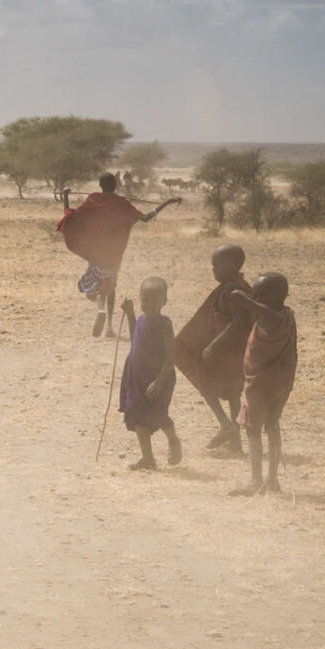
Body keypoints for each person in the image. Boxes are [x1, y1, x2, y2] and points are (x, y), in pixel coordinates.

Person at [206, 273, 297, 496]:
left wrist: (245, 300)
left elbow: (262, 311)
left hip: (261, 384)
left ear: (278, 297)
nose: (256, 297)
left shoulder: (273, 317)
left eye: (261, 294)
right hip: (280, 382)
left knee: (253, 429)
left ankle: (257, 480)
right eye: (255, 293)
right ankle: (272, 480)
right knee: (273, 426)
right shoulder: (287, 316)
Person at [58, 172, 172, 337]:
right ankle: (109, 326)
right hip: (114, 253)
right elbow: (146, 218)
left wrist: (66, 197)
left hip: (97, 252)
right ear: (116, 185)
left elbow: (70, 215)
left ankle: (100, 310)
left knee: (99, 283)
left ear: (100, 185)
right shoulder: (121, 203)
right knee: (111, 286)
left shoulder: (93, 199)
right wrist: (166, 203)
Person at [171, 244, 254, 453]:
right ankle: (235, 443)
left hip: (224, 350)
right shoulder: (240, 285)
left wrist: (212, 346)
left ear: (231, 267)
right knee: (233, 394)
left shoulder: (231, 290)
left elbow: (236, 323)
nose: (213, 270)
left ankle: (225, 424)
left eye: (217, 266)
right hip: (234, 351)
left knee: (206, 384)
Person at [117, 278, 182, 470]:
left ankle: (173, 441)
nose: (149, 305)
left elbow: (171, 357)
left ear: (164, 302)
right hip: (137, 377)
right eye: (145, 300)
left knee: (158, 415)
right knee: (137, 416)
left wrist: (159, 381)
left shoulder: (164, 325)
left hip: (159, 377)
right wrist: (130, 314)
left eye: (154, 300)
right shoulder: (142, 320)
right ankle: (148, 458)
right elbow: (135, 336)